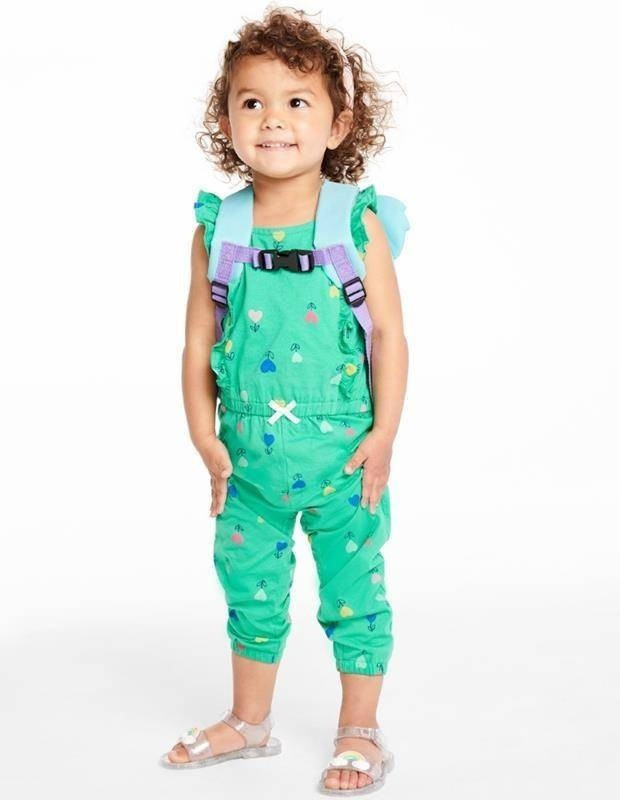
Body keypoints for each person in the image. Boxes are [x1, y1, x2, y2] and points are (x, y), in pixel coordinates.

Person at [160, 5, 409, 795]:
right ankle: (250, 721)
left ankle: (360, 729)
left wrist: (384, 436)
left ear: (339, 124)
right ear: (226, 121)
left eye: (297, 101)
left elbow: (389, 338)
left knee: (355, 593)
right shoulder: (218, 229)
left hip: (346, 461)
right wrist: (204, 437)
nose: (273, 119)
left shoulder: (355, 225)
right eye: (252, 102)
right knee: (250, 592)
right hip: (247, 464)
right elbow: (197, 342)